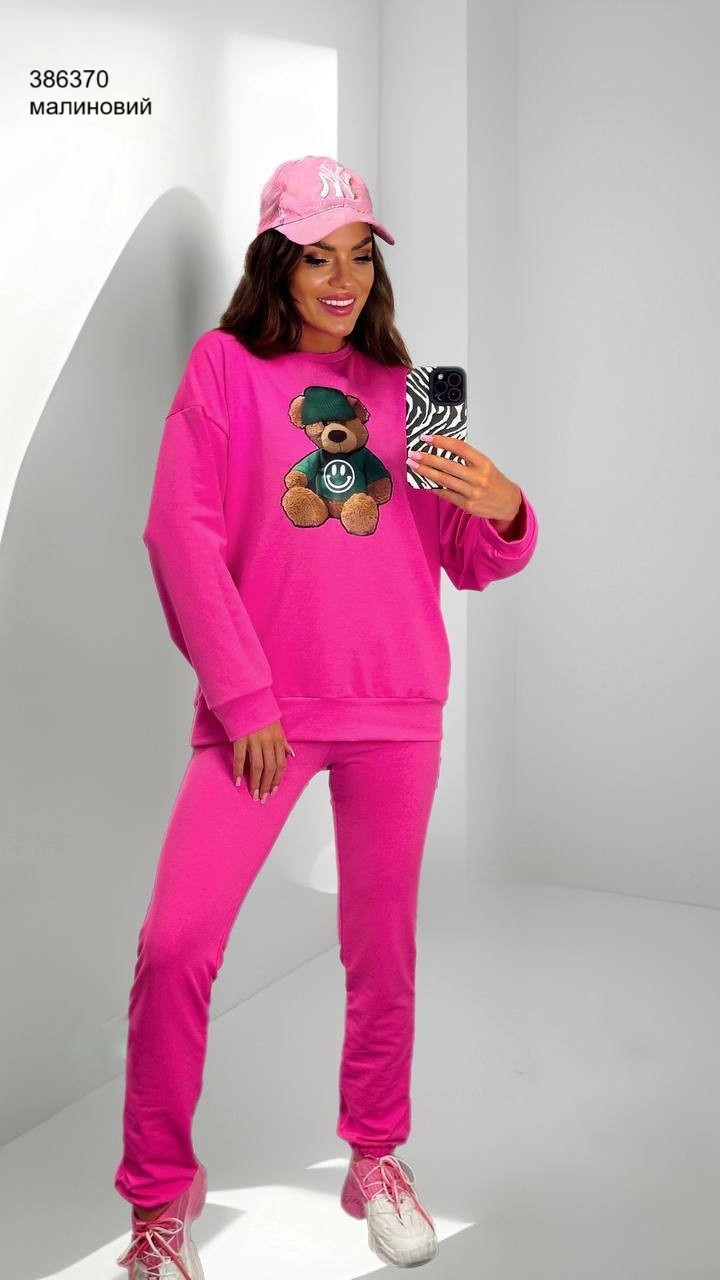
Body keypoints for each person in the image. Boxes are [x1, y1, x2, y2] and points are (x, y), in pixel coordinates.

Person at [114, 154, 539, 1279]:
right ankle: (158, 1200)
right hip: (265, 714)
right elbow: (178, 533)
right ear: (277, 262)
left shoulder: (405, 391)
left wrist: (503, 508)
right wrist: (244, 696)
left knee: (381, 949)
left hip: (397, 706)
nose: (342, 279)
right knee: (176, 945)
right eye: (317, 257)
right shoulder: (223, 369)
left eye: (358, 256)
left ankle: (376, 1157)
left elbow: (461, 555)